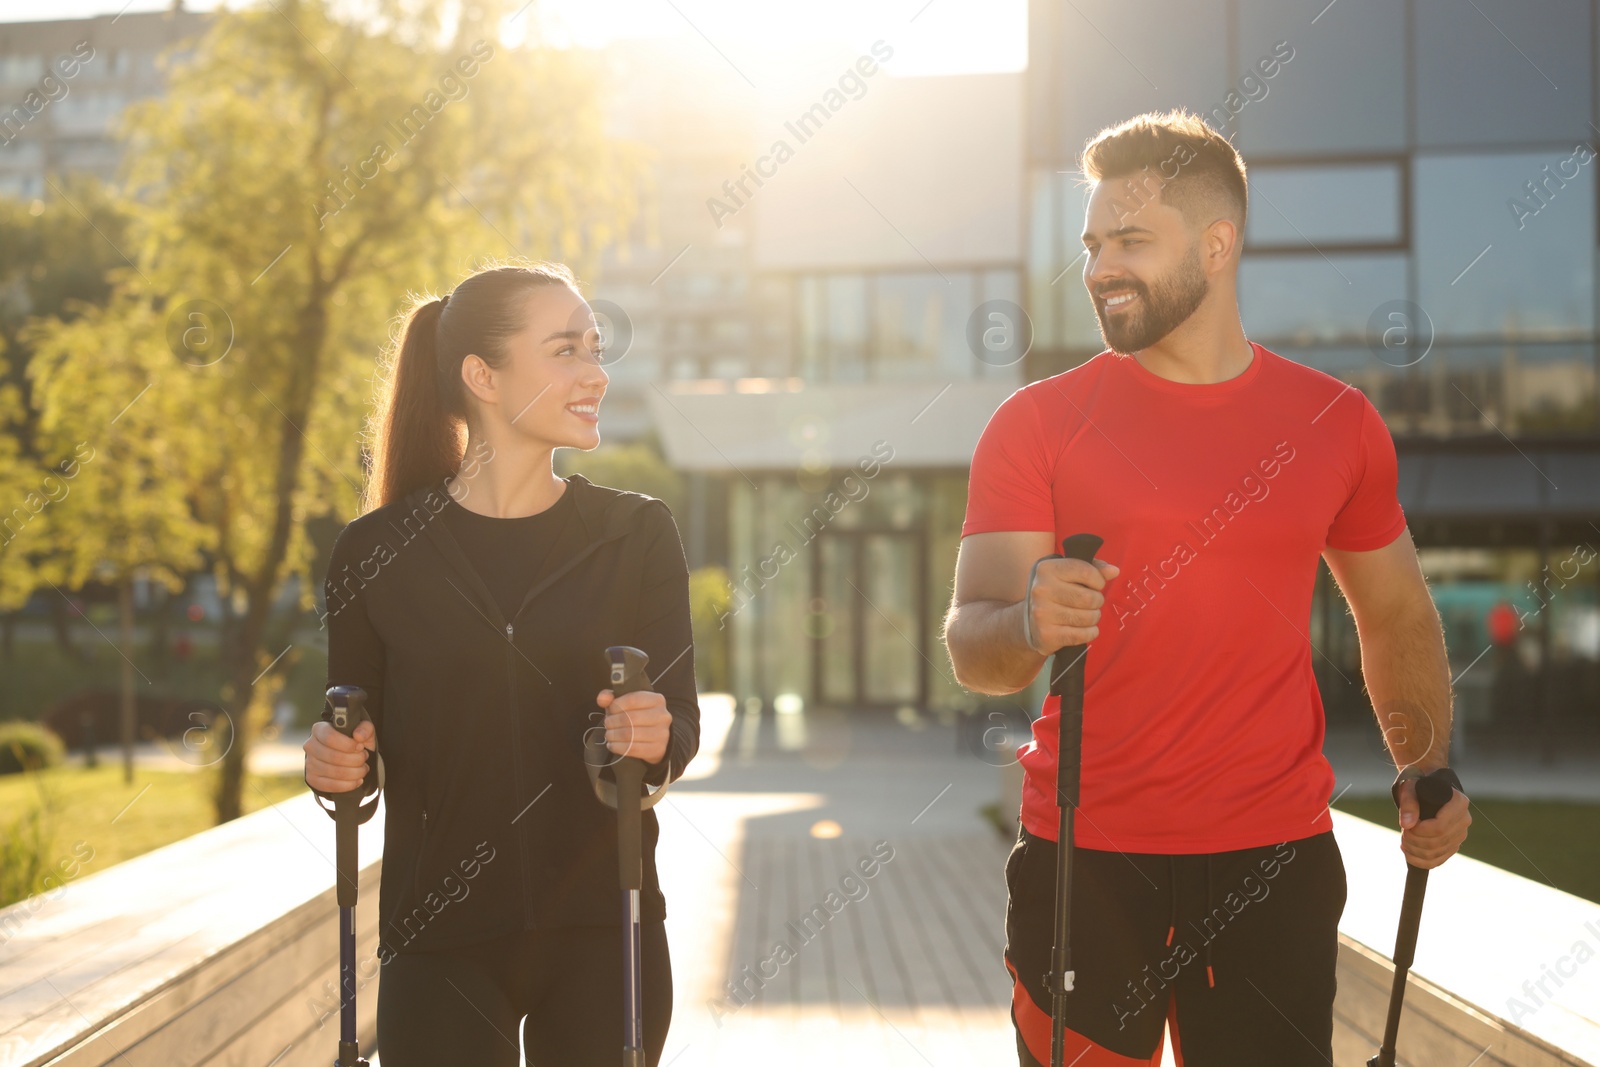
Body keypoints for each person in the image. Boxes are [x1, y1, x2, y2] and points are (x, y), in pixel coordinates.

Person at [943, 110, 1472, 1066]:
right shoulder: (1036, 426)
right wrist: (1026, 618)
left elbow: (1393, 611)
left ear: (1218, 244)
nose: (1101, 264)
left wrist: (1425, 764)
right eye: (1093, 242)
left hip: (1273, 861)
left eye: (1131, 241)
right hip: (1085, 863)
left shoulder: (1335, 424)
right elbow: (974, 646)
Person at [303, 261, 700, 1066]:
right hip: (439, 939)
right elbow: (358, 738)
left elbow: (677, 729)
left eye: (595, 348)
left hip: (604, 930)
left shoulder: (636, 536)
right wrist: (335, 763)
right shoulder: (376, 553)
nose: (595, 372)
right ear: (481, 375)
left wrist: (653, 735)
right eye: (565, 350)